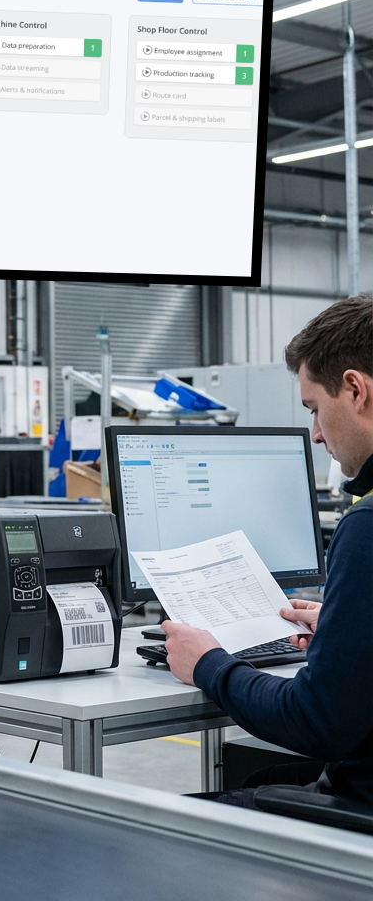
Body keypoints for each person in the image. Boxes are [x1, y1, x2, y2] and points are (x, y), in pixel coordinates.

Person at [163, 295, 373, 808]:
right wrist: (347, 624)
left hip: (359, 819)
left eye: (314, 410)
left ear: (355, 389)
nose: (318, 434)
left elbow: (316, 721)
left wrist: (208, 663)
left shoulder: (366, 527)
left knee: (151, 822)